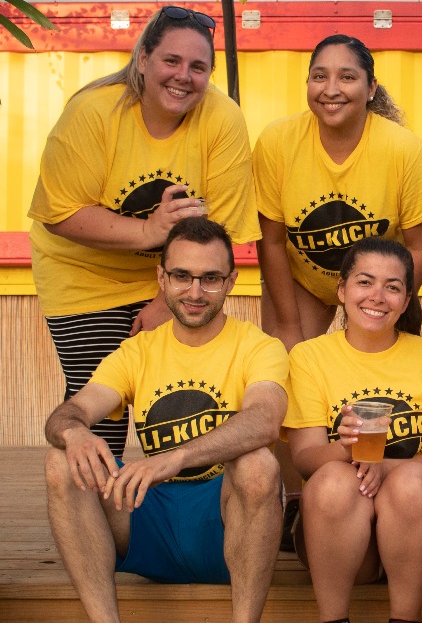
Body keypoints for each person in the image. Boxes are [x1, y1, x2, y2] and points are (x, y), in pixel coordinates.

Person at [28, 5, 260, 458]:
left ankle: (178, 498)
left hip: (179, 276)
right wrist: (149, 231)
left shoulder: (223, 118)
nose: (183, 76)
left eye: (198, 67)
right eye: (171, 60)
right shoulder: (93, 111)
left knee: (185, 400)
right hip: (84, 274)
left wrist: (165, 300)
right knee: (102, 409)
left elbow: (221, 229)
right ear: (143, 59)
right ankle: (95, 499)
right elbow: (60, 213)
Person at [252, 33, 422, 548]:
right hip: (302, 278)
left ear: (370, 87)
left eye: (347, 76)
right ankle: (299, 502)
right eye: (319, 76)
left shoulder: (402, 148)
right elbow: (270, 241)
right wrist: (288, 324)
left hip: (379, 280)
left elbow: (421, 244)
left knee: (382, 371)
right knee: (284, 374)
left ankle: (397, 489)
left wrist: (389, 302)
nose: (331, 88)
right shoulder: (277, 142)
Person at [44, 218, 289, 623]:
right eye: (182, 276)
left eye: (210, 278)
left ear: (231, 281)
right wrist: (74, 433)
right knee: (61, 460)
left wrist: (175, 458)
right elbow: (70, 412)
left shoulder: (259, 347)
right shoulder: (136, 352)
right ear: (162, 278)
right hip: (148, 519)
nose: (195, 292)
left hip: (225, 525)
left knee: (258, 465)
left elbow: (264, 420)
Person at [284, 237, 422, 623]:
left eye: (392, 287)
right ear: (342, 290)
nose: (377, 297)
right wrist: (345, 448)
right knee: (332, 479)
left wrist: (385, 468)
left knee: (411, 482)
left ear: (407, 299)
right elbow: (304, 459)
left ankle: (405, 618)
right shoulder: (309, 357)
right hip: (344, 540)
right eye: (365, 282)